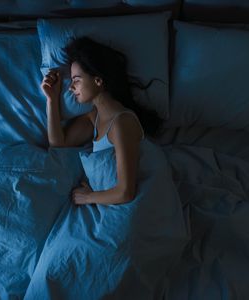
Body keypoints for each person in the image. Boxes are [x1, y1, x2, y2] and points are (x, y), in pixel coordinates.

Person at [40, 36, 164, 207]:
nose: (70, 87)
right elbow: (58, 143)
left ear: (98, 80)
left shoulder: (122, 122)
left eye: (76, 80)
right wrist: (51, 99)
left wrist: (88, 197)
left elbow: (126, 192)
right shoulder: (94, 117)